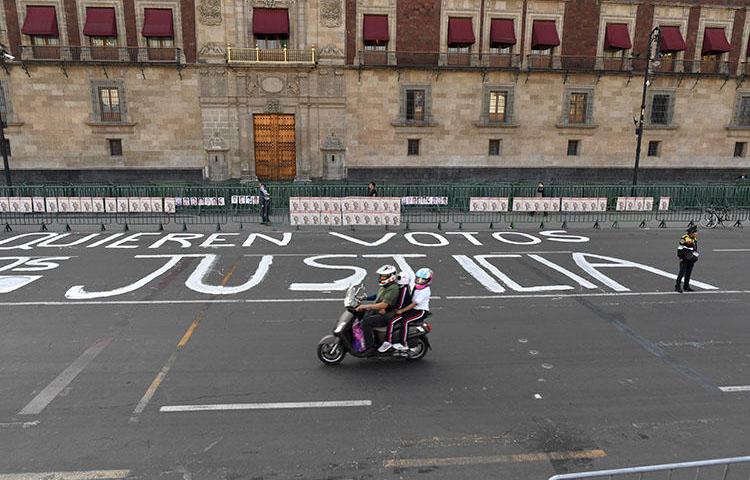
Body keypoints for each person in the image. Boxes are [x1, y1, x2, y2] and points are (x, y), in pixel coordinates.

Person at [382, 267, 432, 353]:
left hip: (420, 311)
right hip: (412, 310)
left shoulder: (425, 291)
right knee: (392, 321)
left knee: (405, 321)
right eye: (418, 279)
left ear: (428, 281)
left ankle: (403, 343)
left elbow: (414, 304)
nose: (419, 281)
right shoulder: (416, 287)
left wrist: (402, 311)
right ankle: (388, 341)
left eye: (422, 280)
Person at [357, 264, 400, 355]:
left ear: (391, 276)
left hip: (387, 315)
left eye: (383, 276)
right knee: (362, 315)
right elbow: (377, 296)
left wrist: (365, 306)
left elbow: (384, 304)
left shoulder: (393, 289)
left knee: (366, 322)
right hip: (380, 312)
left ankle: (370, 348)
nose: (381, 278)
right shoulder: (386, 286)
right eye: (381, 276)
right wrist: (364, 298)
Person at [378, 271, 414, 352]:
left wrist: (388, 309)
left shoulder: (404, 289)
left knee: (392, 322)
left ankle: (389, 342)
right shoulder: (400, 287)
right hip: (399, 310)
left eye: (398, 278)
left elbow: (400, 304)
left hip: (403, 312)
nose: (397, 279)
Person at [675, 225, 699, 293]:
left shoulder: (694, 238)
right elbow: (680, 248)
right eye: (695, 232)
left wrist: (695, 256)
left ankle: (686, 286)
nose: (696, 233)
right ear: (691, 233)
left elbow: (694, 248)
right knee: (681, 273)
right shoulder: (684, 238)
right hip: (684, 258)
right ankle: (677, 286)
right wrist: (681, 257)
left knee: (688, 273)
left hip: (691, 258)